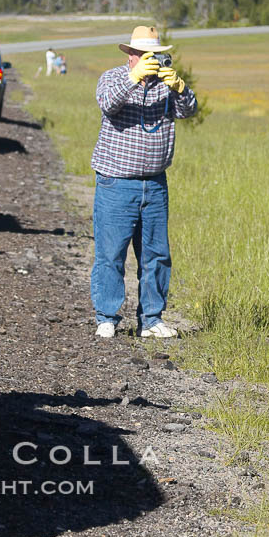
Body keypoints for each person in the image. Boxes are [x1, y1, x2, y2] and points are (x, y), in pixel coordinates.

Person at [91, 26, 197, 339]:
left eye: (156, 53)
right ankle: (107, 316)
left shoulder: (166, 82)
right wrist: (134, 77)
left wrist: (179, 86)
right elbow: (108, 103)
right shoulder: (113, 77)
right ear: (132, 54)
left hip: (154, 182)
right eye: (145, 54)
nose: (152, 59)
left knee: (156, 254)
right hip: (116, 181)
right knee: (111, 253)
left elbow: (189, 110)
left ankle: (151, 319)